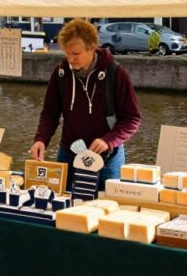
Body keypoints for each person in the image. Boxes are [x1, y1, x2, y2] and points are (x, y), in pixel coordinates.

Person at [29, 19, 141, 189]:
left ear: (91, 47)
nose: (70, 60)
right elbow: (50, 114)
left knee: (107, 205)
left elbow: (132, 119)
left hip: (107, 156)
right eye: (66, 54)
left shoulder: (116, 73)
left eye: (75, 54)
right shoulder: (61, 73)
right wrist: (41, 139)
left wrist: (108, 141)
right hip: (69, 153)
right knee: (65, 204)